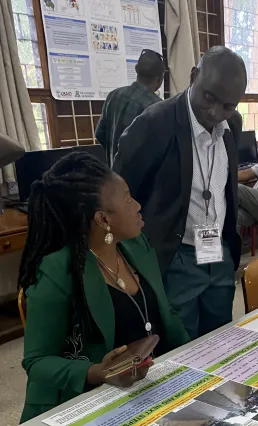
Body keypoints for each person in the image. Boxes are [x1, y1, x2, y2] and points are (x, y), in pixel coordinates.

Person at [19, 152, 189, 423]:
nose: (137, 205)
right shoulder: (57, 271)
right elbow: (37, 362)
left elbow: (165, 312)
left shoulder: (137, 245)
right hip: (91, 400)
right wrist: (97, 372)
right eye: (127, 199)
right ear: (103, 219)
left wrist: (193, 360)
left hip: (150, 387)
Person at [113, 46, 247, 340]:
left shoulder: (231, 124)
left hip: (218, 251)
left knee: (221, 336)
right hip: (175, 255)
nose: (214, 112)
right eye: (208, 97)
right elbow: (121, 191)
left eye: (227, 105)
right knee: (181, 346)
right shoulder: (154, 124)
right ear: (193, 75)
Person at [95, 49, 165, 166]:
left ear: (136, 69)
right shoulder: (158, 107)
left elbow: (100, 134)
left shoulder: (113, 95)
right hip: (142, 181)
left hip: (114, 177)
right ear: (160, 78)